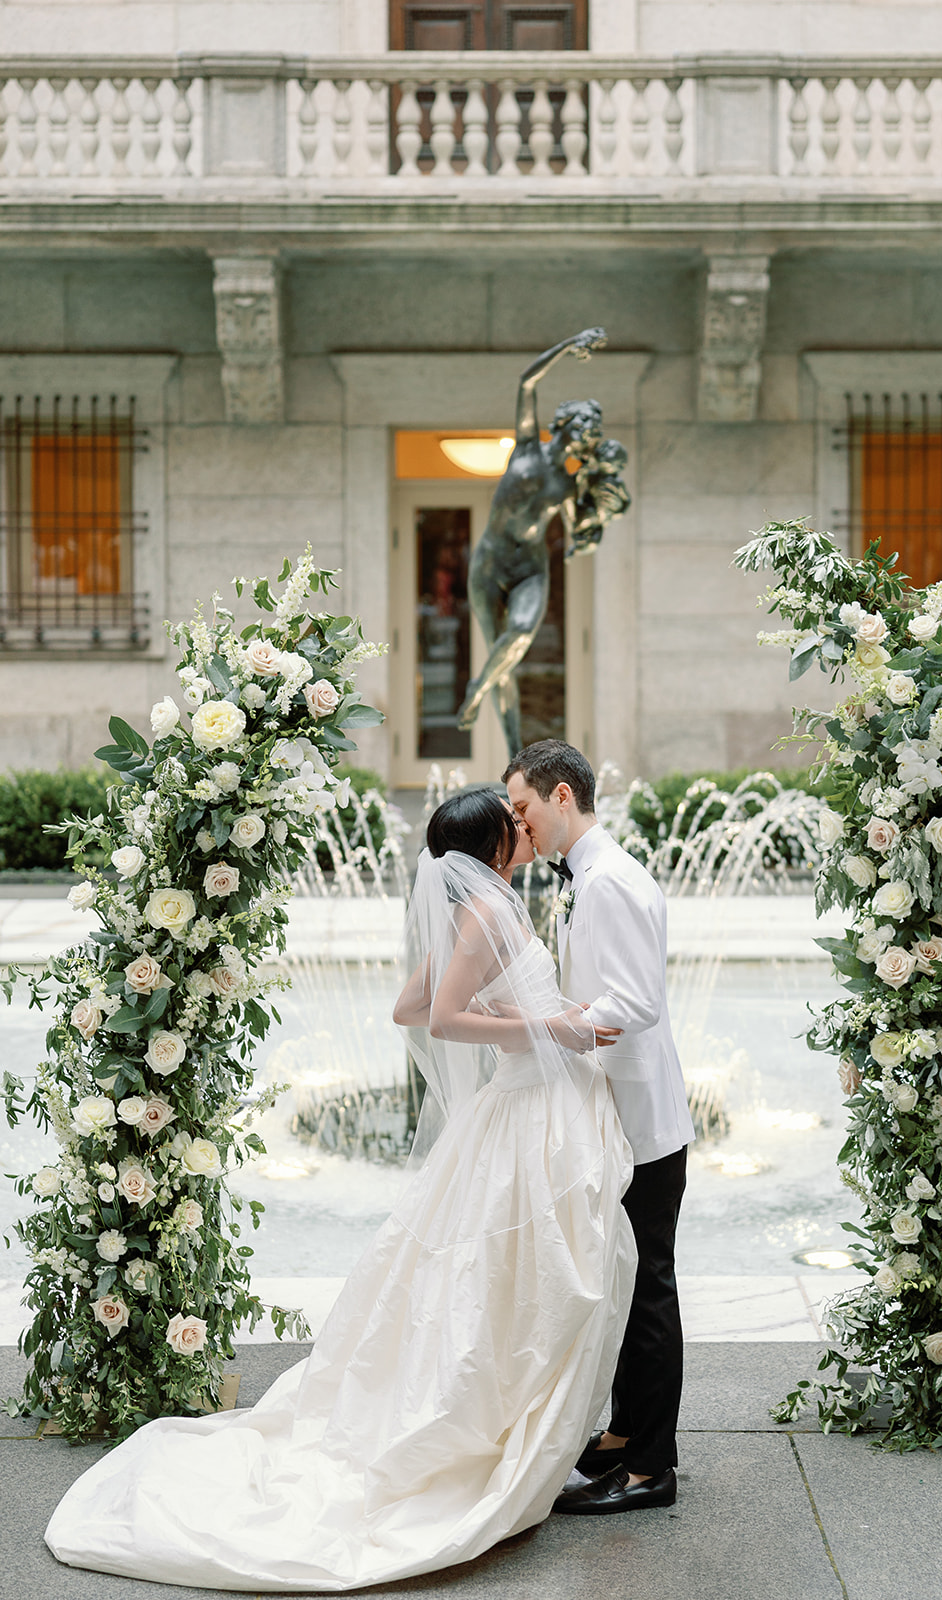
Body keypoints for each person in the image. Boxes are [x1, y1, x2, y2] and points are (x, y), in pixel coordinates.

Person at [44, 790, 637, 1591]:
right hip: (529, 1107)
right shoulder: (486, 914)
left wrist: (538, 1011)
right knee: (521, 1275)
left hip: (531, 1102)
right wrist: (551, 1029)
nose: (523, 823)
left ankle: (515, 1421)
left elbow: (409, 1005)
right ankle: (498, 1430)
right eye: (512, 818)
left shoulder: (484, 908)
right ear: (495, 845)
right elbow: (437, 1019)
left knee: (503, 1274)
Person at [504, 740, 695, 1515]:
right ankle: (623, 1436)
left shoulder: (609, 880)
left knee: (645, 1285)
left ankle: (651, 1468)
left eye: (522, 807)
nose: (518, 823)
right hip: (620, 1107)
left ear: (561, 796)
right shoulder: (594, 874)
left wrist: (557, 1026)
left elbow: (636, 1000)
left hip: (639, 1115)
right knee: (624, 1277)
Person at [456, 327, 631, 757]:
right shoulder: (527, 446)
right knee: (504, 662)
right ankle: (514, 754)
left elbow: (577, 534)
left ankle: (477, 689)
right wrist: (568, 346)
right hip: (490, 563)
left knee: (517, 636)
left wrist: (598, 518)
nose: (590, 433)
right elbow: (527, 382)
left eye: (594, 430)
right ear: (567, 422)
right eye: (586, 424)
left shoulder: (570, 484)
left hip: (530, 570)